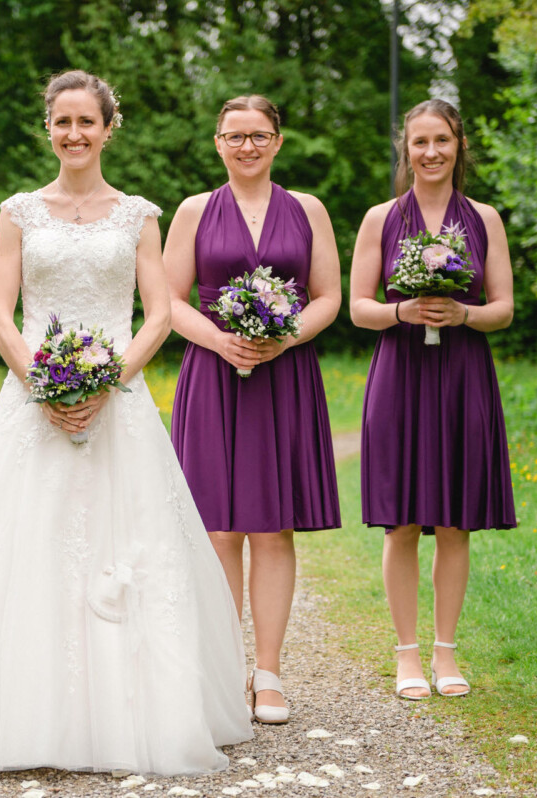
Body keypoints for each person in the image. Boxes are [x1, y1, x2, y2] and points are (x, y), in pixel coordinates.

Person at [0, 70, 252, 774]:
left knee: (126, 544)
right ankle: (17, 714)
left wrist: (108, 382)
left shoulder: (138, 214)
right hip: (31, 401)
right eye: (62, 122)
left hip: (119, 402)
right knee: (20, 549)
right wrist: (41, 385)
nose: (74, 134)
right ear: (48, 128)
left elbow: (161, 312)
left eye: (87, 122)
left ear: (109, 127)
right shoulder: (19, 211)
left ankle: (132, 716)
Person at [163, 96, 342, 724]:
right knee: (217, 528)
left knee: (272, 525)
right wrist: (219, 338)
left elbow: (328, 296)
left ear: (278, 141)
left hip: (284, 374)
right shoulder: (192, 212)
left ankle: (268, 675)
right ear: (218, 143)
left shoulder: (308, 210)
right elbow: (168, 299)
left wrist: (286, 335)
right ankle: (221, 669)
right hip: (212, 373)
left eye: (259, 135)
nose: (247, 146)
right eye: (235, 136)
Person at [348, 99, 516, 699]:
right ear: (406, 149)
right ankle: (407, 656)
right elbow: (358, 308)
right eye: (420, 142)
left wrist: (464, 314)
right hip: (400, 373)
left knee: (453, 522)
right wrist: (404, 310)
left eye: (442, 140)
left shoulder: (485, 219)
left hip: (463, 372)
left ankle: (447, 655)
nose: (431, 152)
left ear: (458, 145)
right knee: (402, 522)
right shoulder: (380, 219)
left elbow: (503, 308)